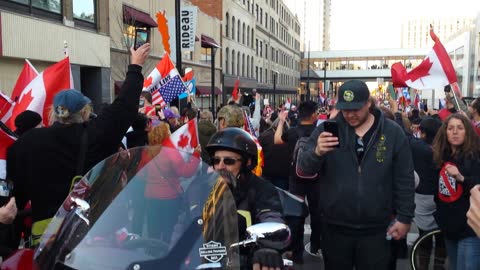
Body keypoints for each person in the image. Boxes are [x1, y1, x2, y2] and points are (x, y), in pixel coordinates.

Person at [6, 43, 151, 245]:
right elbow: (124, 106)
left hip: (44, 246)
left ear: (53, 113)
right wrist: (135, 66)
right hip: (88, 242)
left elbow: (13, 203)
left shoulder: (24, 144)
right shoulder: (95, 135)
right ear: (84, 112)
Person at [297, 79, 415, 270]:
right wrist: (317, 152)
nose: (350, 114)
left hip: (377, 230)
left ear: (368, 103)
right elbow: (303, 169)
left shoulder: (393, 133)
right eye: (345, 109)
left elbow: (405, 179)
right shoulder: (325, 130)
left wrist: (405, 217)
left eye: (356, 109)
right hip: (334, 228)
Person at [205, 127, 284, 270]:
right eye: (216, 160)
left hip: (244, 262)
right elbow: (186, 222)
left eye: (228, 161)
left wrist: (267, 248)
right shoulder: (204, 188)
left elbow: (270, 216)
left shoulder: (262, 190)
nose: (220, 166)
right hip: (206, 261)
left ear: (247, 162)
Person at [274, 100, 321, 263]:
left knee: (295, 216)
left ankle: (297, 253)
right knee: (316, 213)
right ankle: (315, 245)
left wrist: (281, 120)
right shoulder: (318, 131)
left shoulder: (293, 132)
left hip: (296, 178)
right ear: (314, 115)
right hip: (317, 178)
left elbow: (277, 140)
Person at [431, 113, 480, 270]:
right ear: (445, 132)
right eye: (451, 128)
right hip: (448, 227)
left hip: (469, 229)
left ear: (467, 132)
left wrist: (461, 177)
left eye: (460, 128)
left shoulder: (475, 157)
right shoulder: (441, 157)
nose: (455, 132)